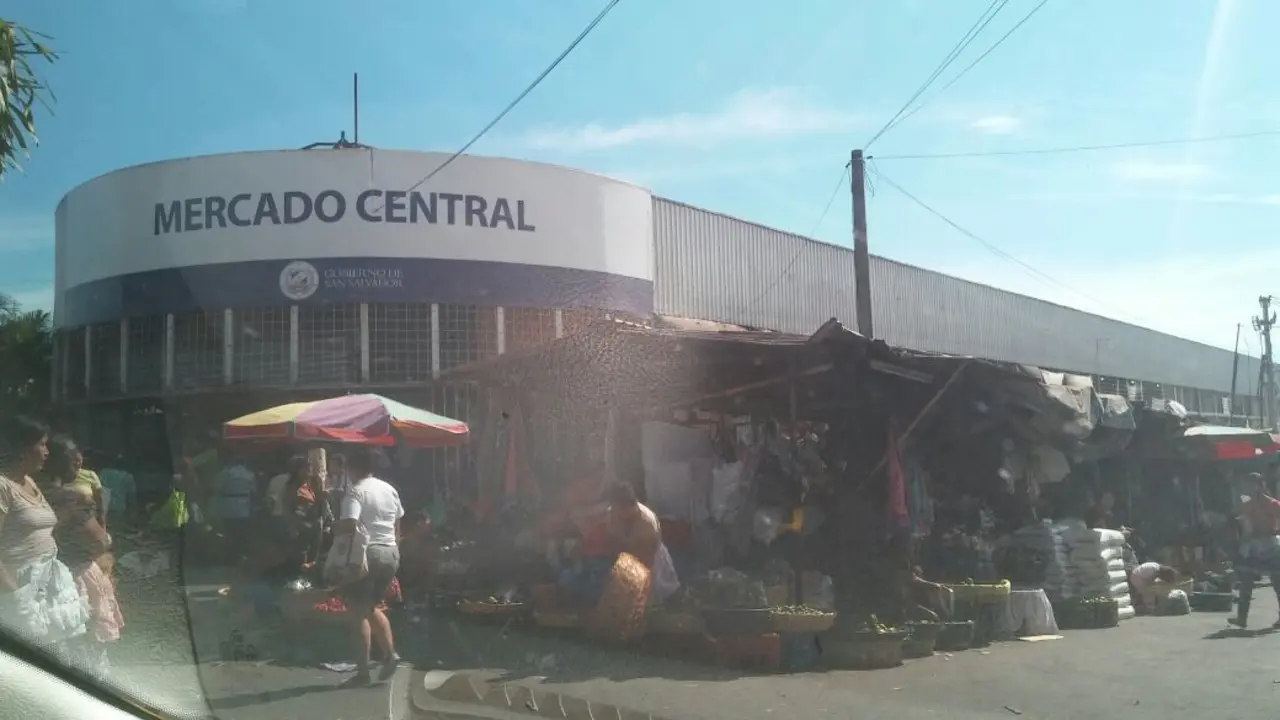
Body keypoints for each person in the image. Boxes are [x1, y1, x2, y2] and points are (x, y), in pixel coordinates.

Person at [0, 416, 92, 673]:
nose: (46, 452)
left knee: (68, 666)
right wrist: (15, 598)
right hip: (19, 587)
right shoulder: (2, 486)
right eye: (42, 444)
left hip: (49, 590)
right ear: (22, 448)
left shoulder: (28, 482)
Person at [41, 435, 124, 671]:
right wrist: (105, 538)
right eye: (72, 456)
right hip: (79, 579)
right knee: (89, 656)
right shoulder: (71, 500)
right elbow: (99, 541)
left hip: (45, 582)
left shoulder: (33, 493)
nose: (78, 461)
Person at [334, 448, 403, 687]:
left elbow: (350, 525)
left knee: (356, 613)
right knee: (369, 607)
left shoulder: (355, 492)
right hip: (391, 553)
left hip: (366, 555)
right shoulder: (389, 489)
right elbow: (397, 524)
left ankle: (362, 672)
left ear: (353, 469)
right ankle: (390, 654)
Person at [604, 482, 680, 604]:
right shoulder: (611, 515)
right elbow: (612, 541)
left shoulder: (647, 524)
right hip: (625, 561)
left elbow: (647, 561)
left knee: (652, 600)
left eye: (617, 509)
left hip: (649, 562)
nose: (614, 511)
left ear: (627, 507)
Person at [1230, 472, 1280, 628]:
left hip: (1262, 544)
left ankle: (1242, 619)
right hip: (1263, 544)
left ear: (1257, 486)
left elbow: (1248, 528)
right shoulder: (1267, 504)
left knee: (1257, 583)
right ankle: (1241, 619)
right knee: (1253, 583)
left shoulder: (1262, 505)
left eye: (1249, 485)